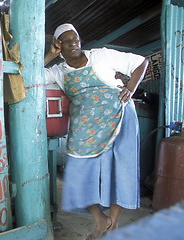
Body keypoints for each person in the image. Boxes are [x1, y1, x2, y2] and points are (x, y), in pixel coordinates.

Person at [45, 23, 148, 240]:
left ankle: (113, 225)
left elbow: (141, 62)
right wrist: (49, 55)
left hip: (119, 118)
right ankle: (100, 219)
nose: (74, 43)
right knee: (78, 172)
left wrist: (131, 88)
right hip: (85, 127)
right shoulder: (58, 71)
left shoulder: (101, 56)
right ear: (58, 44)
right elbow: (27, 76)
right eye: (67, 40)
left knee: (118, 170)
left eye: (76, 39)